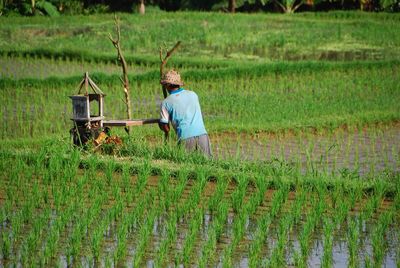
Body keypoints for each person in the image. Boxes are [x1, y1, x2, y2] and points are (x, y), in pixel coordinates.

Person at [159, 70, 212, 157]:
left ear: (167, 85)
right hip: (202, 135)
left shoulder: (166, 102)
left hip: (185, 137)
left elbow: (166, 128)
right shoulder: (193, 94)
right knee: (207, 164)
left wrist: (161, 124)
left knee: (184, 165)